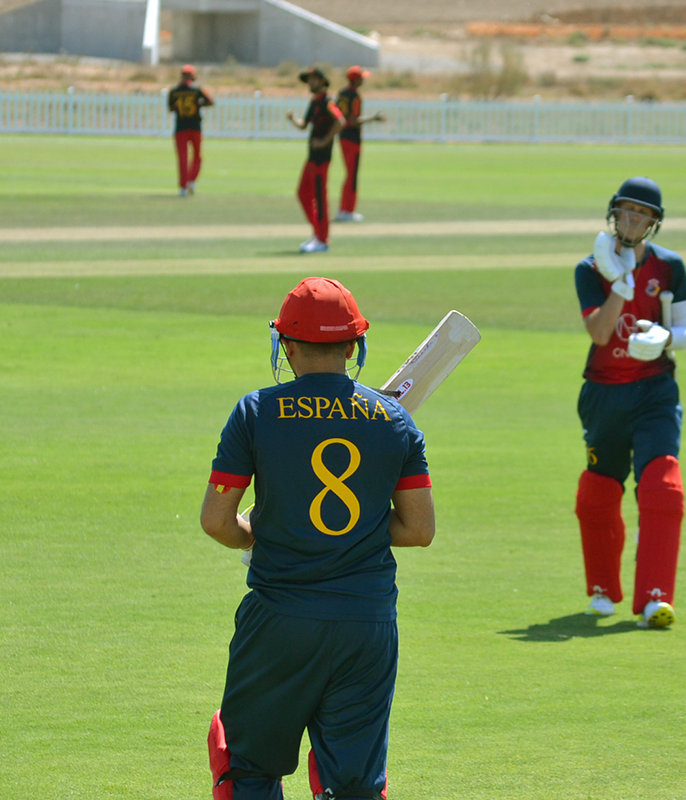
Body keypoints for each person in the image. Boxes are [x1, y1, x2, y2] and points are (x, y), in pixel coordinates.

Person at [201, 276, 436, 800]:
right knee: (353, 784)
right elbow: (419, 530)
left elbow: (218, 520)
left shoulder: (256, 412)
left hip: (279, 621)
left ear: (285, 344)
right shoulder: (394, 420)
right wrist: (363, 529)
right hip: (366, 625)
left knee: (247, 768)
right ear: (354, 345)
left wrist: (257, 535)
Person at [572, 177, 686, 629]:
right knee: (598, 494)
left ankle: (655, 599)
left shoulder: (670, 267)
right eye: (625, 211)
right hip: (604, 392)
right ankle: (604, 589)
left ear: (653, 223)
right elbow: (601, 334)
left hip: (655, 390)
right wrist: (620, 286)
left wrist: (665, 338)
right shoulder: (589, 269)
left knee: (663, 487)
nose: (631, 221)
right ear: (613, 214)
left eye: (641, 214)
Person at [286, 68, 345, 253]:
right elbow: (304, 125)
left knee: (319, 199)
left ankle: (322, 239)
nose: (310, 83)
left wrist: (324, 141)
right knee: (303, 193)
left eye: (313, 79)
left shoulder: (327, 103)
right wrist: (293, 119)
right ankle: (317, 232)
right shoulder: (315, 102)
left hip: (322, 158)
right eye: (309, 80)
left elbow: (341, 122)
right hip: (311, 157)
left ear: (322, 81)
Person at [334, 66, 385, 223]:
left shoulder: (341, 93)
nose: (363, 80)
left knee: (349, 173)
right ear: (355, 79)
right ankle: (346, 210)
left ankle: (345, 209)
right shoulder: (355, 96)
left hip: (342, 136)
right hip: (352, 137)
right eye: (361, 77)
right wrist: (373, 118)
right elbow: (353, 120)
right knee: (352, 174)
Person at [167, 64, 214, 198]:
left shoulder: (174, 91)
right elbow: (210, 101)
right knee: (197, 156)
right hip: (195, 126)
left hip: (180, 127)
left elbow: (171, 108)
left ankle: (183, 187)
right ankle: (191, 181)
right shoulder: (198, 89)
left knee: (182, 158)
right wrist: (198, 104)